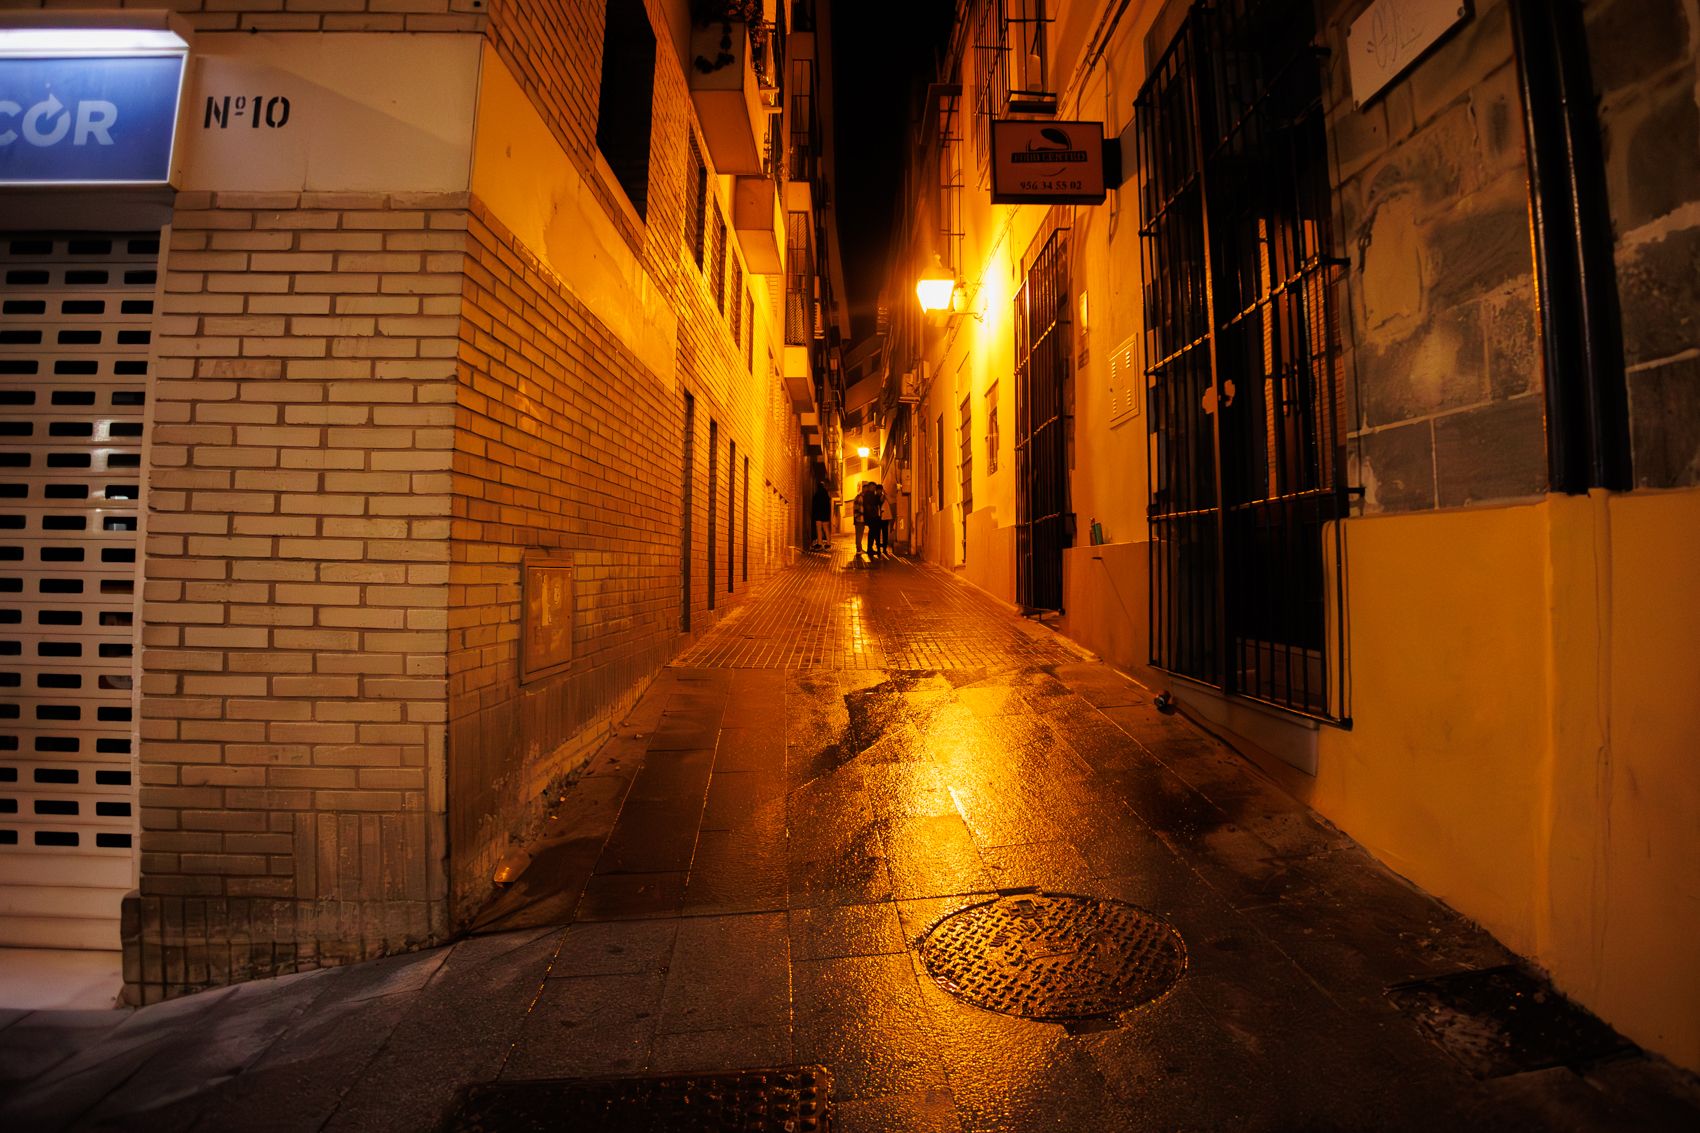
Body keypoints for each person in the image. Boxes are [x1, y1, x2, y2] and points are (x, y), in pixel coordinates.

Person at [810, 476, 831, 551]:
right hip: (825, 516)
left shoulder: (817, 494)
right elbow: (828, 506)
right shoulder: (826, 495)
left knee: (819, 529)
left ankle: (820, 543)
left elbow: (815, 506)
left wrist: (814, 515)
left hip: (818, 515)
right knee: (826, 529)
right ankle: (828, 544)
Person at [871, 482, 890, 556]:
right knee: (877, 534)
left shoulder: (884, 497)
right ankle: (878, 549)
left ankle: (884, 549)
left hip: (885, 518)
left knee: (885, 534)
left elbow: (887, 505)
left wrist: (885, 495)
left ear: (882, 490)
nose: (879, 491)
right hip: (877, 518)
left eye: (880, 490)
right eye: (878, 490)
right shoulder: (874, 498)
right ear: (876, 490)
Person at [851, 481, 869, 555]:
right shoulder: (859, 497)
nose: (867, 489)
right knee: (859, 534)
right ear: (863, 488)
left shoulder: (863, 497)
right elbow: (856, 509)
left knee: (860, 534)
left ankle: (859, 548)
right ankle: (858, 549)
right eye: (866, 488)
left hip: (861, 519)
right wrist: (858, 516)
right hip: (859, 519)